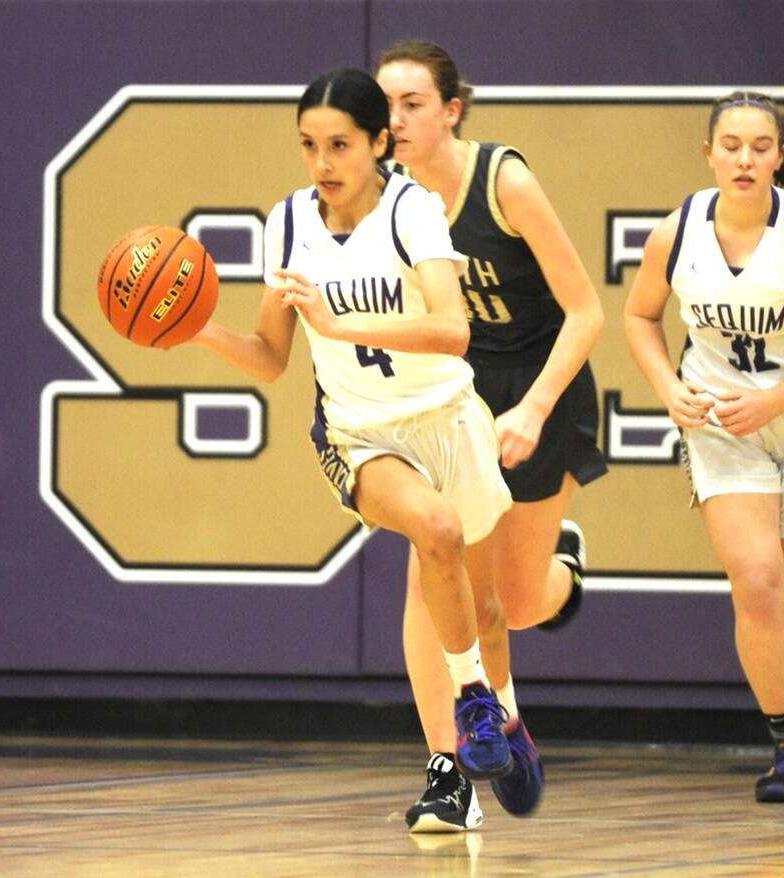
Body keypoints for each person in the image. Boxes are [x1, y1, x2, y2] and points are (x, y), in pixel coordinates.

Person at [189, 67, 517, 786]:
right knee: (435, 530)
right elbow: (272, 357)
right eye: (309, 145)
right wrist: (195, 329)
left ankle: (507, 716)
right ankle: (470, 709)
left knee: (488, 607)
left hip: (449, 416)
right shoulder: (290, 222)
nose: (323, 162)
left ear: (378, 144)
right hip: (361, 434)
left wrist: (339, 322)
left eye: (340, 144)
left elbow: (453, 328)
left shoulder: (414, 210)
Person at [623, 91, 784, 802]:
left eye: (759, 146)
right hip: (718, 426)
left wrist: (772, 400)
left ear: (779, 155)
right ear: (709, 153)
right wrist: (667, 387)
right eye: (730, 145)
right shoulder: (677, 234)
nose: (744, 158)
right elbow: (641, 315)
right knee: (757, 580)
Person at [377, 40, 607, 831]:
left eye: (412, 103)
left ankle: (565, 576)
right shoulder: (385, 198)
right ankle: (454, 774)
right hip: (456, 400)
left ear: (451, 109)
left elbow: (586, 311)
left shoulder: (502, 180)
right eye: (386, 106)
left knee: (512, 601)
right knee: (439, 578)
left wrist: (536, 408)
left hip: (541, 389)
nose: (396, 119)